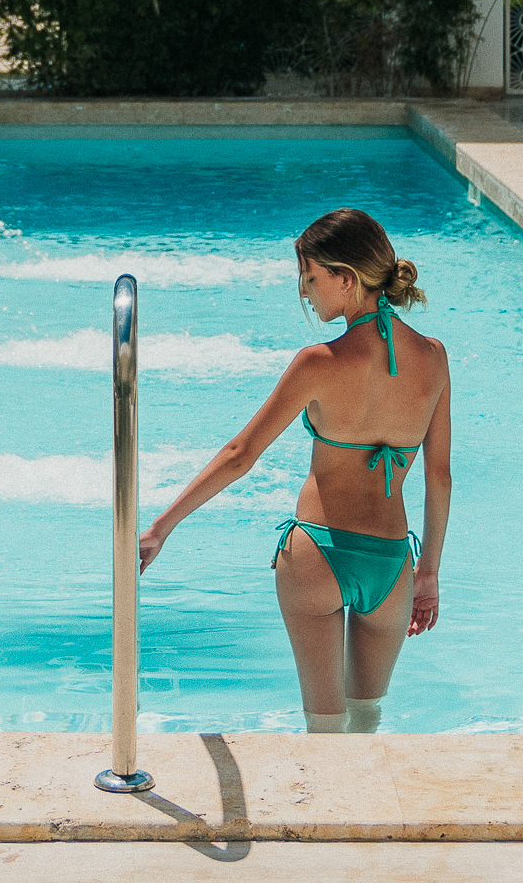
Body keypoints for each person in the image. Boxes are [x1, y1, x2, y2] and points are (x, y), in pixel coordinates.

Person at [138, 207, 451, 734]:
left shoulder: (318, 362)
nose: (304, 293)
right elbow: (438, 477)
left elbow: (241, 454)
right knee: (366, 725)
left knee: (324, 731)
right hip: (392, 563)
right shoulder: (435, 357)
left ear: (346, 279)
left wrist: (161, 527)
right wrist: (428, 575)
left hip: (318, 556)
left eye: (310, 278)